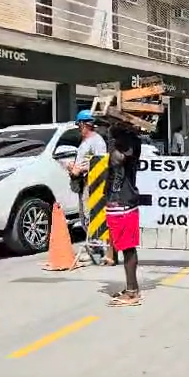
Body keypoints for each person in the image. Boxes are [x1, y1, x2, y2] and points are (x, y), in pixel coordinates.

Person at [105, 124, 143, 307]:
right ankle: (132, 288)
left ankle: (132, 292)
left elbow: (118, 160)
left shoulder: (123, 150)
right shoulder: (131, 145)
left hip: (122, 203)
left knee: (128, 248)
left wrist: (117, 137)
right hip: (121, 202)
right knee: (126, 248)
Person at [68, 110, 109, 263]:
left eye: (80, 125)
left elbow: (101, 163)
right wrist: (73, 167)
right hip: (83, 182)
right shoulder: (85, 141)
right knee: (84, 217)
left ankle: (96, 249)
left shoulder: (97, 141)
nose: (79, 128)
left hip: (93, 184)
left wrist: (81, 169)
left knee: (91, 215)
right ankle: (94, 248)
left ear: (84, 124)